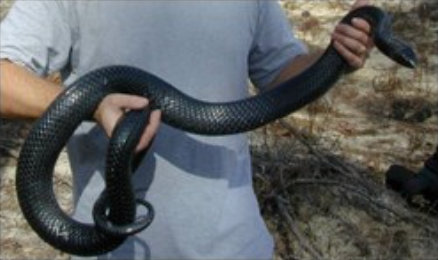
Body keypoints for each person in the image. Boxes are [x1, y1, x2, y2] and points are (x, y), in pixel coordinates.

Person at [0, 0, 373, 259]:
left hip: (233, 246)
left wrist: (336, 57)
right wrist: (94, 105)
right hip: (114, 248)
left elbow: (281, 74)